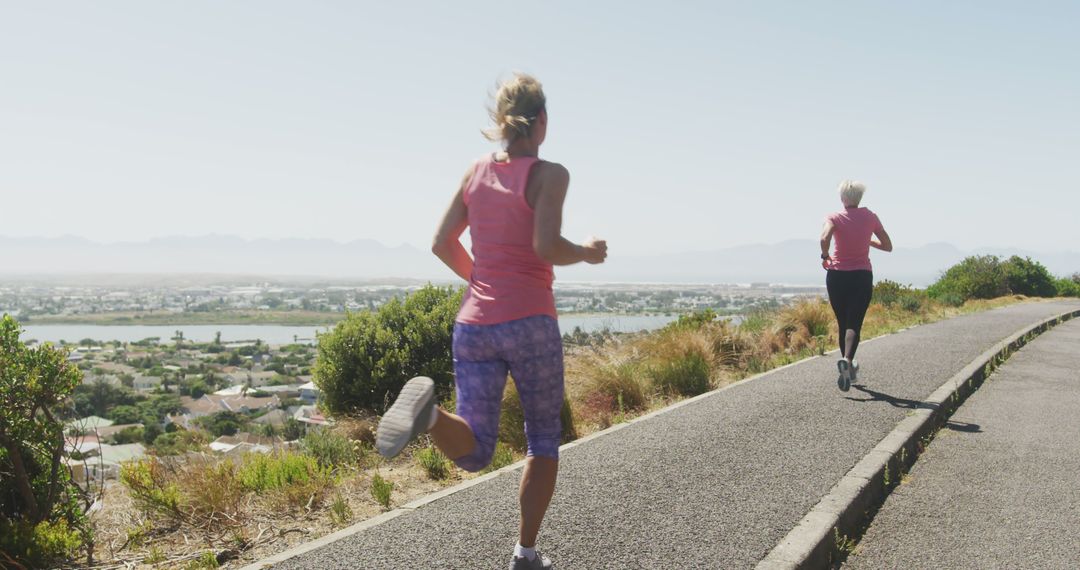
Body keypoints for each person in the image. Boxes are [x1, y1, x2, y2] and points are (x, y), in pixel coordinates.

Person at [375, 73, 607, 570]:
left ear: (500, 123)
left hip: (474, 324)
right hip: (530, 323)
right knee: (542, 440)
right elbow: (546, 246)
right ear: (541, 121)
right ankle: (525, 554)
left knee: (477, 452)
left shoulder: (474, 172)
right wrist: (586, 254)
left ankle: (431, 417)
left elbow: (441, 243)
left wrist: (480, 280)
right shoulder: (549, 174)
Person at [820, 180, 892, 391]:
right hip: (861, 276)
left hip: (837, 276)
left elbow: (824, 237)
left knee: (843, 322)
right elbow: (888, 246)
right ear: (860, 198)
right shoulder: (870, 217)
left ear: (843, 198)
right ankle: (848, 362)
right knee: (854, 323)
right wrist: (867, 240)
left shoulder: (834, 217)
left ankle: (848, 367)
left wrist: (825, 256)